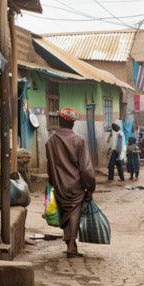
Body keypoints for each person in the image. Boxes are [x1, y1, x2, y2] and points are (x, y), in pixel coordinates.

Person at [45, 107, 97, 258]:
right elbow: (86, 169)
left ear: (59, 122)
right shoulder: (79, 141)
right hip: (75, 185)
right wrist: (90, 188)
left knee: (65, 213)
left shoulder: (50, 141)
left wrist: (52, 182)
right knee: (74, 212)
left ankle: (69, 242)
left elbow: (50, 166)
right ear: (73, 124)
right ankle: (72, 244)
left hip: (58, 184)